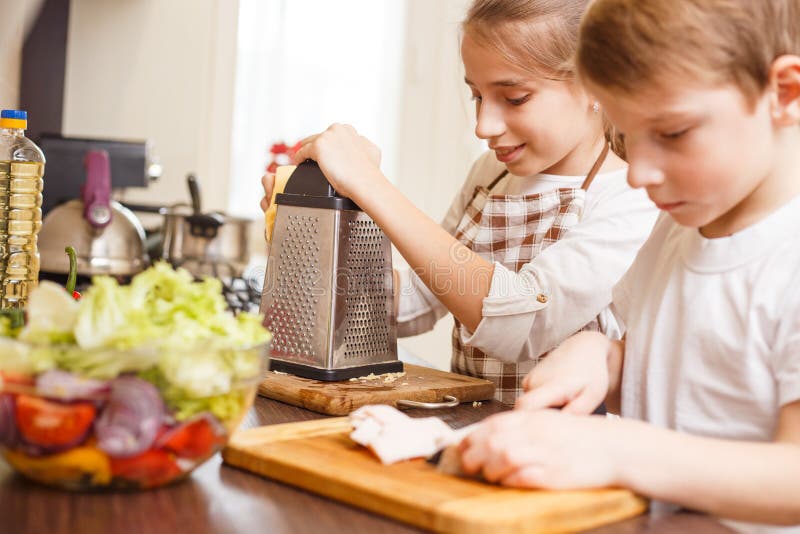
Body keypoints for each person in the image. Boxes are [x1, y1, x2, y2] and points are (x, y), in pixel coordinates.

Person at [458, 0, 800, 530]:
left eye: (672, 133)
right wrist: (602, 356)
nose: (638, 173)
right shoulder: (678, 229)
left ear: (784, 93)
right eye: (626, 134)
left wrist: (616, 451)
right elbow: (677, 366)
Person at [263, 0, 657, 404]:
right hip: (472, 426)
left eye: (515, 98)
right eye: (477, 96)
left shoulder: (632, 200)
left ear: (596, 85)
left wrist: (370, 186)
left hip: (561, 438)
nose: (483, 126)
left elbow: (521, 323)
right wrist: (318, 231)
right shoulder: (490, 173)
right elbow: (414, 300)